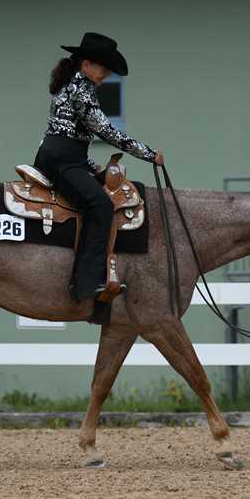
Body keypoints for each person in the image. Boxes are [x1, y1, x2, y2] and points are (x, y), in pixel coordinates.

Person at [34, 32, 164, 302]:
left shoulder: (73, 83)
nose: (106, 74)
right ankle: (86, 283)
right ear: (87, 65)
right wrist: (149, 154)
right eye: (104, 68)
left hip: (62, 157)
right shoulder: (81, 89)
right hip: (62, 161)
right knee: (101, 205)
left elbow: (72, 136)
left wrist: (91, 167)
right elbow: (106, 131)